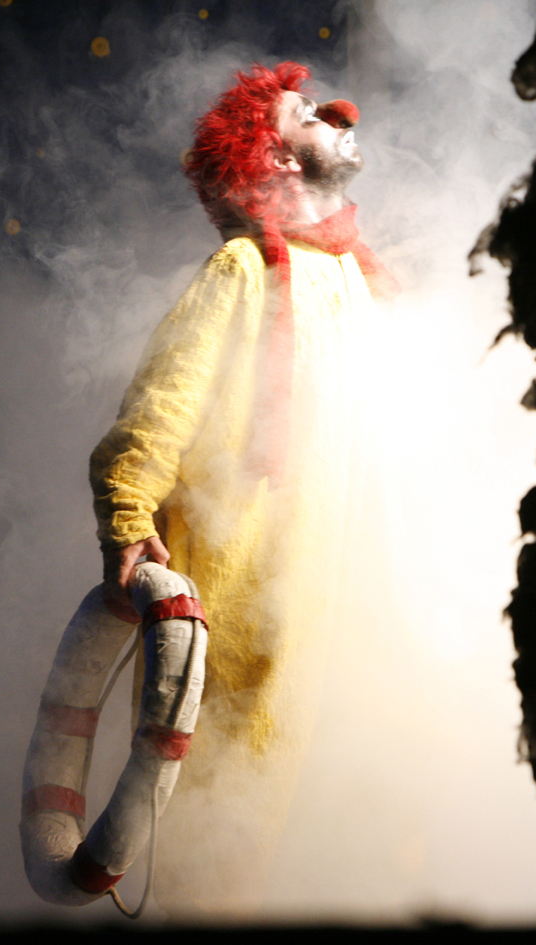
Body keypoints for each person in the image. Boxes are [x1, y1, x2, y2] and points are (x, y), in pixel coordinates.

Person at [88, 61, 398, 914]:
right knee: (211, 840)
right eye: (307, 110)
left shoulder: (351, 279)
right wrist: (126, 516)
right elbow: (160, 405)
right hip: (233, 604)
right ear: (280, 157)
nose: (339, 112)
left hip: (323, 607)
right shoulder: (241, 270)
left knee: (300, 839)